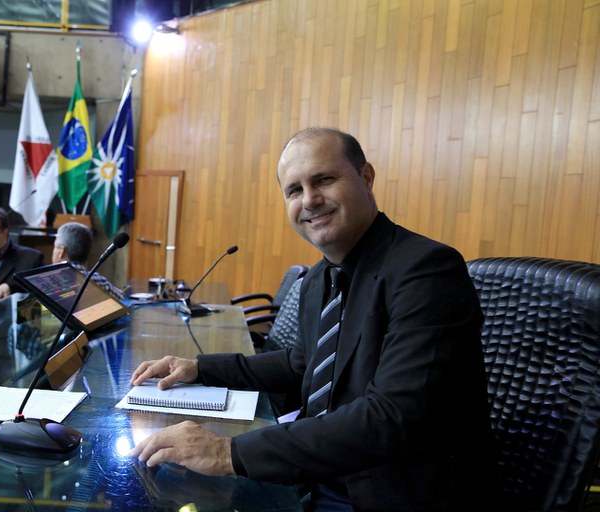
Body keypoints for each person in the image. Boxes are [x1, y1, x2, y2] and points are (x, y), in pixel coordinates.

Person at [128, 128, 492, 510]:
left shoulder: (426, 270)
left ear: (366, 177)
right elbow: (300, 364)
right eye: (294, 190)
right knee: (166, 491)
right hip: (314, 471)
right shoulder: (319, 278)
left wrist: (226, 452)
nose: (310, 200)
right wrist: (200, 369)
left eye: (324, 180)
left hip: (384, 491)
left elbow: (392, 416)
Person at [52, 222, 126, 302]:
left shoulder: (51, 282)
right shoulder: (100, 281)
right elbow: (124, 300)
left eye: (55, 246)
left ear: (61, 251)